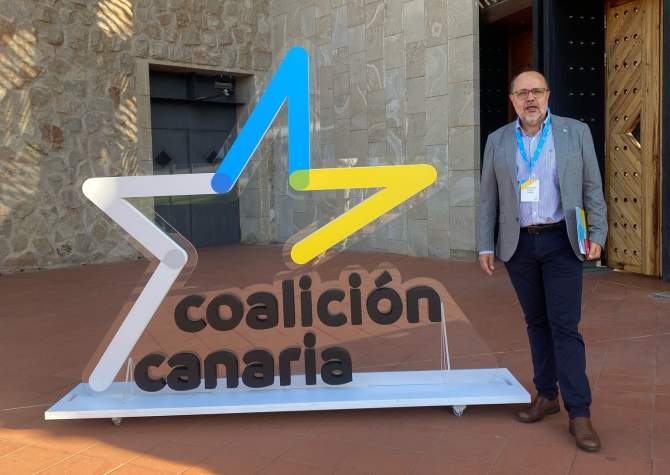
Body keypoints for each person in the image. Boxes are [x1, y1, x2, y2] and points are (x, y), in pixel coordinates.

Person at [478, 70, 607, 452]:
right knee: (536, 322)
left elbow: (592, 186)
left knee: (564, 325)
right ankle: (547, 394)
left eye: (536, 91)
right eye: (522, 93)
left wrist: (598, 234)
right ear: (513, 100)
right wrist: (485, 245)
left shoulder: (575, 132)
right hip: (519, 245)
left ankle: (579, 412)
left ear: (548, 95)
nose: (530, 98)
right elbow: (488, 198)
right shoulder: (498, 139)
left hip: (561, 241)